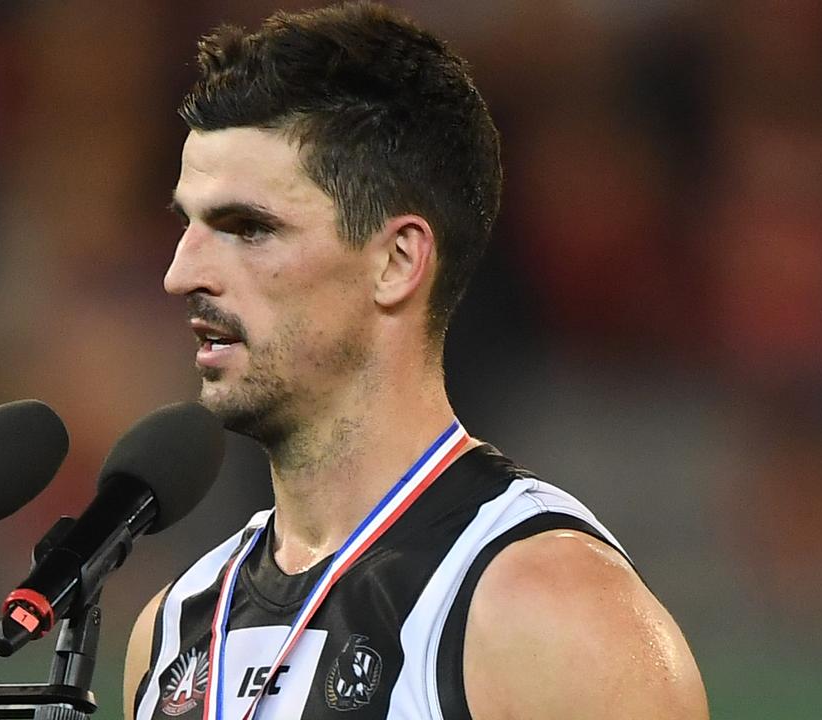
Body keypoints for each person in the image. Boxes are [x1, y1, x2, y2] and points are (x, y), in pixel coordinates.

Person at [125, 4, 708, 719]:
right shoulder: (173, 631)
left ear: (397, 261)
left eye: (247, 228)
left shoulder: (553, 614)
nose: (181, 274)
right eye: (186, 225)